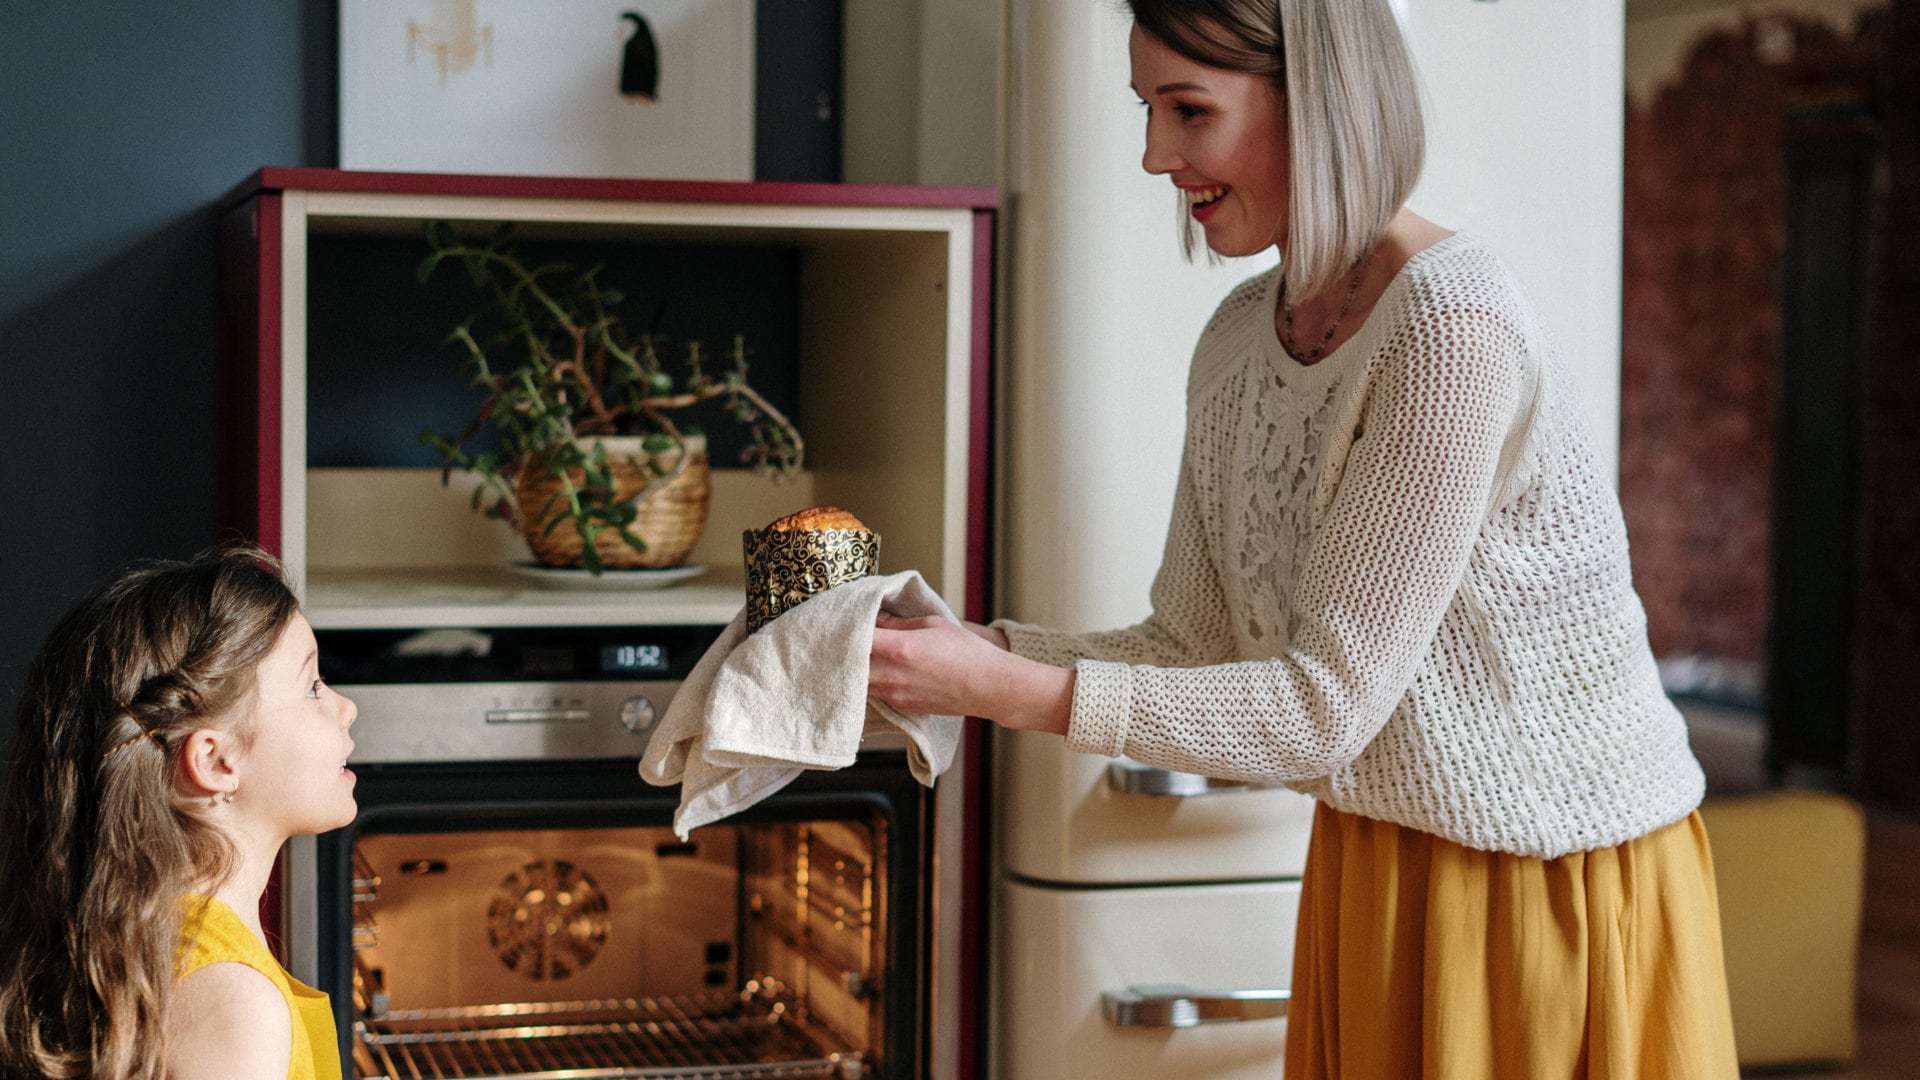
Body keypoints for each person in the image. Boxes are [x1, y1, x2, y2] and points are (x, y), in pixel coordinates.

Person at [867, 0, 1741, 1075]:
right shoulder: (1241, 336)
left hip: (1536, 881)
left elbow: (1320, 707)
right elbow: (1188, 646)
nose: (1154, 156)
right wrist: (974, 653)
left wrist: (996, 690)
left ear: (1320, 103)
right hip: (1377, 862)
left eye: (1189, 110)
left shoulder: (1450, 327)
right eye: (1148, 110)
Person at [0, 546, 358, 1080]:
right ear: (215, 760)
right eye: (312, 687)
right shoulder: (232, 1004)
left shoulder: (166, 937)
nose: (346, 707)